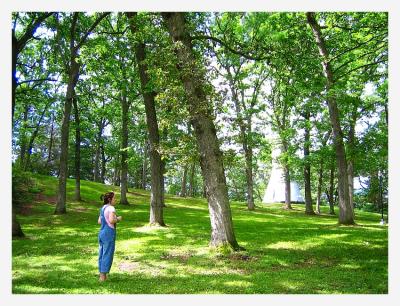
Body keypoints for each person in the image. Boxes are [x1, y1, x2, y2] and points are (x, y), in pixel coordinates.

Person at [98, 191, 122, 281]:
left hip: (102, 232)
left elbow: (99, 221)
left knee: (102, 253)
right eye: (114, 198)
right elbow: (112, 220)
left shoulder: (103, 208)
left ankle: (101, 275)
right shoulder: (111, 208)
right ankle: (103, 277)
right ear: (109, 199)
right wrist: (118, 219)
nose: (115, 200)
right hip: (109, 233)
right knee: (107, 254)